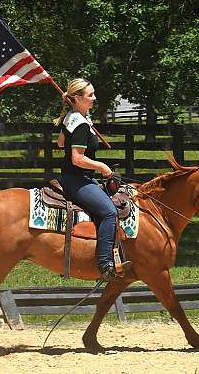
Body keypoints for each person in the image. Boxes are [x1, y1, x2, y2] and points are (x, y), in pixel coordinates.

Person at [54, 78, 132, 280]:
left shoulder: (73, 117)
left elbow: (61, 143)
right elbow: (77, 158)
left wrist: (77, 122)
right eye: (90, 95)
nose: (94, 98)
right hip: (77, 179)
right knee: (109, 212)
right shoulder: (79, 122)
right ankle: (105, 265)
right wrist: (102, 166)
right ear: (77, 98)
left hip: (72, 176)